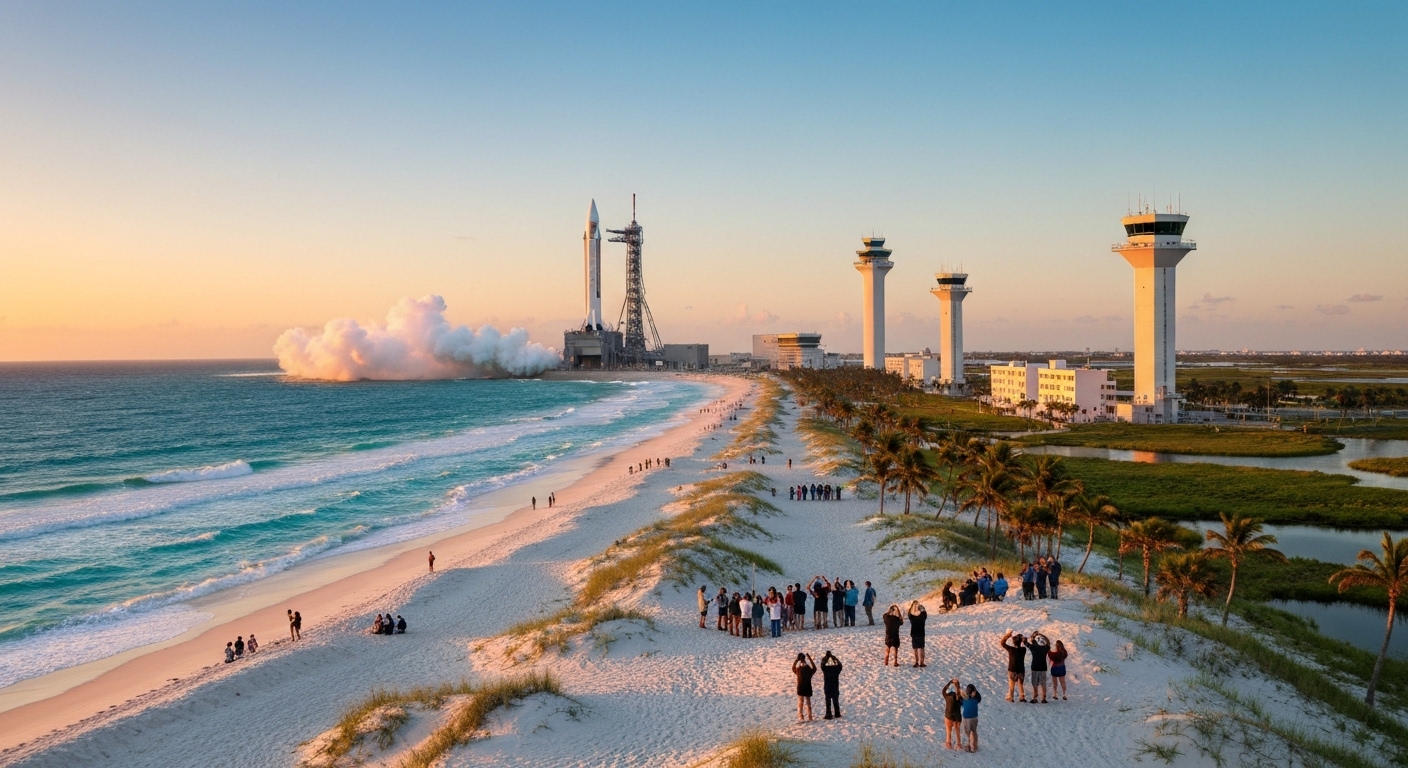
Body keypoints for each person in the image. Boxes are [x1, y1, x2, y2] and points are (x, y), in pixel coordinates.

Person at [1001, 630, 1028, 702]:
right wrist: (1024, 640)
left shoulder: (1011, 649)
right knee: (1020, 684)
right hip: (1021, 669)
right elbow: (1025, 643)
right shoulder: (1023, 649)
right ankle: (1022, 696)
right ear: (1020, 642)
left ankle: (1011, 697)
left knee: (1011, 684)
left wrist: (1008, 635)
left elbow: (1002, 643)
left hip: (1012, 669)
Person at [792, 653, 817, 721]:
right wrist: (810, 659)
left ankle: (801, 716)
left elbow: (793, 668)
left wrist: (796, 660)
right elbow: (814, 668)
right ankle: (810, 716)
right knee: (808, 703)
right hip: (808, 688)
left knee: (801, 703)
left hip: (800, 688)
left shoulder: (798, 670)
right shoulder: (808, 669)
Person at [1028, 631, 1051, 703]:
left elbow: (1029, 641)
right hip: (1043, 668)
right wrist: (1042, 635)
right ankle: (1044, 698)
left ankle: (1035, 697)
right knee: (1043, 683)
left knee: (1035, 683)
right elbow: (1048, 642)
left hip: (1034, 668)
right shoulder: (1046, 648)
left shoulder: (1033, 647)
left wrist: (1034, 635)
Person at [820, 651, 843, 719]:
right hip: (835, 687)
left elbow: (822, 665)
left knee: (828, 702)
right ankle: (837, 713)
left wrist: (825, 658)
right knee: (836, 701)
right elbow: (840, 666)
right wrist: (834, 658)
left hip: (827, 687)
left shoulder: (826, 669)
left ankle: (828, 713)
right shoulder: (836, 669)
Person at [942, 679, 963, 749]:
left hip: (948, 715)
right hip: (957, 716)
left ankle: (948, 743)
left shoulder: (947, 696)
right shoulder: (959, 697)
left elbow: (943, 691)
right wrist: (957, 685)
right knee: (957, 730)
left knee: (948, 730)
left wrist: (950, 682)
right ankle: (959, 743)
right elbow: (961, 702)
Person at [961, 683, 982, 752]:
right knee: (968, 732)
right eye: (973, 692)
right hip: (967, 718)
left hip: (972, 718)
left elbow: (979, 697)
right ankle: (970, 744)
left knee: (973, 731)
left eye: (975, 692)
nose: (975, 694)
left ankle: (973, 745)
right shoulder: (967, 699)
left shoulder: (975, 699)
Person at [908, 601, 928, 667]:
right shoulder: (922, 617)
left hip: (914, 633)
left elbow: (909, 613)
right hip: (921, 633)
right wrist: (920, 606)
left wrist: (912, 606)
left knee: (915, 648)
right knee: (921, 648)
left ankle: (916, 662)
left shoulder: (912, 618)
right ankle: (921, 662)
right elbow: (924, 612)